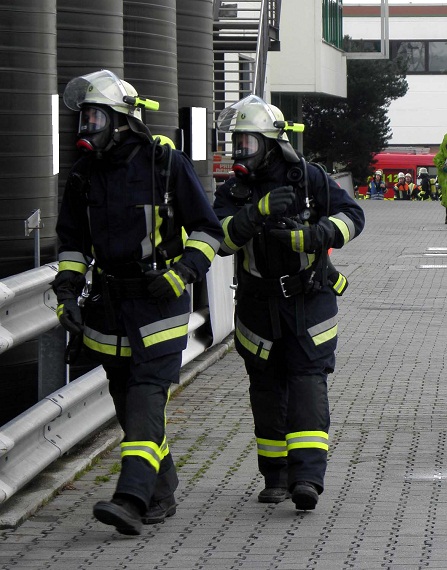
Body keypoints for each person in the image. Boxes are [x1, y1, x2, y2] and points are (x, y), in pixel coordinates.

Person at [53, 69, 223, 535]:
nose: (85, 127)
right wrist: (67, 291)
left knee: (148, 399)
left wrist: (182, 273)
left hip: (159, 306)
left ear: (121, 119)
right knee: (129, 406)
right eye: (82, 118)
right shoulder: (84, 174)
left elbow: (208, 230)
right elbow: (72, 242)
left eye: (93, 117)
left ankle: (130, 498)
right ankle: (161, 492)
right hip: (108, 309)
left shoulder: (162, 163)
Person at [212, 95, 365, 511]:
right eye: (235, 143)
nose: (239, 152)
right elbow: (220, 241)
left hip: (308, 303)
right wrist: (254, 214)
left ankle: (307, 479)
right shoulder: (234, 191)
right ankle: (275, 477)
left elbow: (353, 215)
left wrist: (316, 235)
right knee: (265, 392)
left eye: (247, 143)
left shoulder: (308, 179)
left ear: (271, 143)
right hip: (258, 309)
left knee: (307, 387)